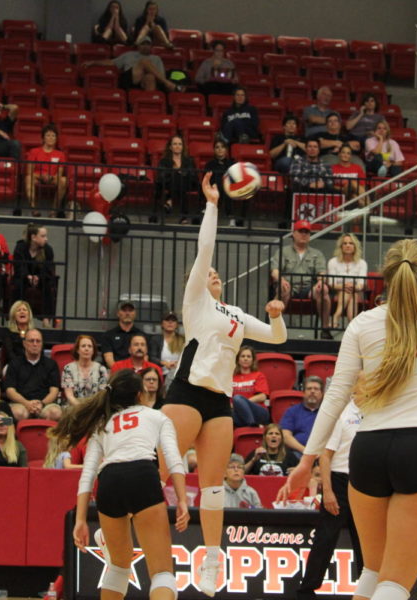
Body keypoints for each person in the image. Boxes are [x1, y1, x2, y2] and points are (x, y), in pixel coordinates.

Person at [280, 238, 417, 600]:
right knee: (394, 584)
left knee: (373, 575)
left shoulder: (362, 323)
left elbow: (336, 397)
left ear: (385, 277)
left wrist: (306, 460)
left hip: (368, 450)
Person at [160, 172, 286, 596]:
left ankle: (211, 560)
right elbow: (206, 247)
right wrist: (213, 203)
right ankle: (116, 519)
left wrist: (274, 314)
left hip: (219, 402)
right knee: (158, 470)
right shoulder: (196, 302)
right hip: (186, 393)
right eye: (206, 272)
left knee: (212, 488)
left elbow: (277, 338)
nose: (212, 273)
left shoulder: (232, 314)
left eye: (215, 273)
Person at [65, 369, 189, 600]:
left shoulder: (103, 424)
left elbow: (88, 474)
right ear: (140, 395)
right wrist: (182, 500)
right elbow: (174, 459)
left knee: (119, 568)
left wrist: (81, 519)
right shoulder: (156, 416)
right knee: (162, 572)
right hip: (143, 474)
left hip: (109, 481)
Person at [295, 398, 364, 600]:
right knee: (325, 539)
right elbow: (324, 456)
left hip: (366, 482)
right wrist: (328, 491)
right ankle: (306, 591)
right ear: (355, 387)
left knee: (366, 543)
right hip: (339, 481)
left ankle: (368, 591)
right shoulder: (341, 414)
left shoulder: (377, 411)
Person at [271, 219, 333, 338]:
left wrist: (321, 281)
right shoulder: (284, 251)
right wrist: (281, 280)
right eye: (301, 231)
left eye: (307, 232)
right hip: (289, 285)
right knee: (283, 289)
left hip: (309, 287)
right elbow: (275, 271)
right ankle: (274, 328)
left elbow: (322, 272)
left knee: (324, 290)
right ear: (294, 233)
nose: (304, 234)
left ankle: (325, 329)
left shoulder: (317, 253)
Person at [4, 328, 62, 421]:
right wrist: (26, 403)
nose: (35, 344)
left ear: (42, 344)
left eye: (38, 341)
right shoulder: (14, 363)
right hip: (21, 404)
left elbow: (54, 390)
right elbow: (10, 391)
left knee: (55, 413)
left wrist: (41, 404)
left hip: (45, 404)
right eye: (31, 341)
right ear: (24, 344)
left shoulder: (51, 364)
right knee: (17, 413)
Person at [94, 36, 183, 92]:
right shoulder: (129, 54)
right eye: (143, 44)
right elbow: (111, 62)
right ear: (138, 46)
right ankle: (169, 84)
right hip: (130, 78)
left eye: (148, 44)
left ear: (151, 47)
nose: (145, 46)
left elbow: (161, 75)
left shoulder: (156, 58)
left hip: (149, 81)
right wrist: (93, 62)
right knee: (144, 61)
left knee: (150, 77)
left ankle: (149, 107)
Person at [12, 224, 58, 328]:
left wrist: (38, 277)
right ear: (33, 237)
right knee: (19, 285)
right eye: (43, 236)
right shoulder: (20, 247)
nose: (46, 239)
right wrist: (27, 276)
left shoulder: (47, 250)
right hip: (23, 278)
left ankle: (46, 320)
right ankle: (18, 319)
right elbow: (18, 266)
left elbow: (48, 268)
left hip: (41, 278)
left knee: (47, 285)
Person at [24, 124, 68, 218]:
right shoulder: (34, 151)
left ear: (56, 138)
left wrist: (51, 177)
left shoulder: (60, 154)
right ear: (43, 138)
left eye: (53, 136)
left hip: (53, 178)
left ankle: (53, 210)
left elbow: (60, 173)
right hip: (37, 177)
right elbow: (29, 171)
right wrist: (41, 176)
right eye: (48, 135)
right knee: (28, 178)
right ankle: (34, 209)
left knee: (64, 180)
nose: (51, 138)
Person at [328, 233, 368, 327]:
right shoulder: (333, 262)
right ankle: (352, 325)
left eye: (351, 243)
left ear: (355, 246)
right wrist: (344, 286)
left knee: (351, 292)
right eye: (345, 243)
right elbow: (331, 283)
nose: (348, 245)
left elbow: (361, 284)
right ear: (341, 246)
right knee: (348, 291)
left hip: (358, 292)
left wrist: (353, 287)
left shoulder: (362, 263)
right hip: (336, 292)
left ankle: (336, 316)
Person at [156, 134, 198, 224]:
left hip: (187, 183)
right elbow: (161, 175)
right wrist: (175, 173)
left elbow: (193, 175)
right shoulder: (164, 160)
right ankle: (184, 216)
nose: (177, 146)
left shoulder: (189, 160)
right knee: (177, 179)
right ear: (170, 147)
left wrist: (181, 174)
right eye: (175, 144)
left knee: (180, 180)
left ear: (183, 147)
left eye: (180, 144)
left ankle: (169, 201)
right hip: (169, 183)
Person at [62, 334, 110, 408]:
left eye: (90, 346)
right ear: (78, 350)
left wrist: (89, 409)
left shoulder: (101, 369)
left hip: (94, 407)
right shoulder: (68, 368)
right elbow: (69, 396)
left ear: (93, 350)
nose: (86, 349)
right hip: (73, 407)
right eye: (83, 346)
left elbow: (101, 396)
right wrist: (81, 408)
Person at [280, 376, 324, 456]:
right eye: (309, 388)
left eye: (316, 389)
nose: (312, 391)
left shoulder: (327, 413)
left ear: (321, 394)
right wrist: (305, 451)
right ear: (303, 393)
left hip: (322, 453)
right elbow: (285, 436)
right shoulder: (292, 411)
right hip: (298, 452)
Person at [203, 139, 243, 226]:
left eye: (222, 147)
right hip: (213, 188)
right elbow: (206, 179)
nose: (220, 149)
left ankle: (233, 218)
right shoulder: (210, 164)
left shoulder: (232, 163)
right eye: (217, 147)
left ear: (226, 150)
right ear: (214, 150)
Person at [231, 345, 270, 428]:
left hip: (259, 412)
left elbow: (262, 397)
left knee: (237, 398)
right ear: (238, 360)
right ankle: (251, 425)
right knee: (227, 412)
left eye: (249, 356)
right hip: (238, 413)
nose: (246, 358)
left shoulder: (259, 375)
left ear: (253, 360)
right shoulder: (232, 378)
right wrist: (239, 406)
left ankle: (251, 423)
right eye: (243, 356)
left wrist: (243, 403)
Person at [102, 300, 144, 368]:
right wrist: (120, 374)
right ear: (118, 313)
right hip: (116, 373)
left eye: (130, 310)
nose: (127, 313)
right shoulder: (108, 336)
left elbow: (145, 357)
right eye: (124, 310)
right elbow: (109, 359)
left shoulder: (142, 336)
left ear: (135, 314)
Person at [148, 311, 185, 384]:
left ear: (177, 324)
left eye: (173, 320)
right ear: (162, 323)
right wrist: (164, 363)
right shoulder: (155, 339)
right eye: (167, 320)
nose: (170, 322)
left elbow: (187, 357)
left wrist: (178, 363)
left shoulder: (183, 340)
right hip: (161, 375)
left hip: (179, 376)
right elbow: (151, 357)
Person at [1, 300, 35, 366]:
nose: (22, 312)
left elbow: (39, 353)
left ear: (29, 314)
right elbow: (10, 354)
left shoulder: (35, 333)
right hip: (13, 365)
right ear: (14, 316)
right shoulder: (8, 333)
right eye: (18, 310)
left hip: (32, 365)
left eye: (24, 310)